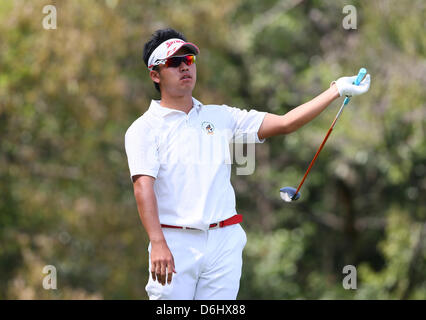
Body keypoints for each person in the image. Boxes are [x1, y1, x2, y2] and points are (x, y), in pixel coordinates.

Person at [124, 28, 371, 300]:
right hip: (175, 243)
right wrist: (157, 242)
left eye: (189, 60)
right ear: (155, 75)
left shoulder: (221, 116)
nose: (185, 67)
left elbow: (286, 122)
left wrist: (336, 90)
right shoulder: (144, 129)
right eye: (174, 62)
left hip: (224, 241)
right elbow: (142, 188)